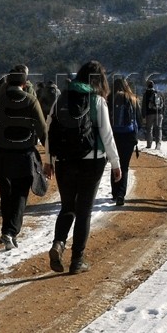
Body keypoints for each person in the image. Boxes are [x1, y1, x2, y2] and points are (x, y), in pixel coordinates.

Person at [47, 60, 121, 274]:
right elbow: (107, 135)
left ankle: (58, 244)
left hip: (63, 161)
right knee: (84, 211)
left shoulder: (60, 99)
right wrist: (116, 164)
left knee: (67, 207)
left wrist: (48, 161)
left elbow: (49, 129)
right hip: (92, 161)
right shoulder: (97, 101)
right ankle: (77, 261)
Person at [0, 64, 47, 250]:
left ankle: (7, 228)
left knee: (6, 193)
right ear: (24, 83)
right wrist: (52, 157)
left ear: (7, 81)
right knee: (20, 194)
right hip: (25, 155)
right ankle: (11, 231)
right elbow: (42, 130)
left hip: (0, 154)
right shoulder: (31, 101)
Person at [108, 77, 141, 205]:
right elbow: (139, 119)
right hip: (129, 136)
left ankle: (114, 192)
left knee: (114, 163)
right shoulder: (132, 98)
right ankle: (121, 194)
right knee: (125, 166)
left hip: (113, 135)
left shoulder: (109, 98)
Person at [141, 79, 162, 149]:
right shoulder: (157, 93)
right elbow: (162, 104)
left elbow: (144, 105)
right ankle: (158, 144)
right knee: (158, 128)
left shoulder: (146, 94)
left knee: (149, 129)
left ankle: (149, 144)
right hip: (159, 113)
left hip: (149, 114)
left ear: (147, 86)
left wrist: (143, 115)